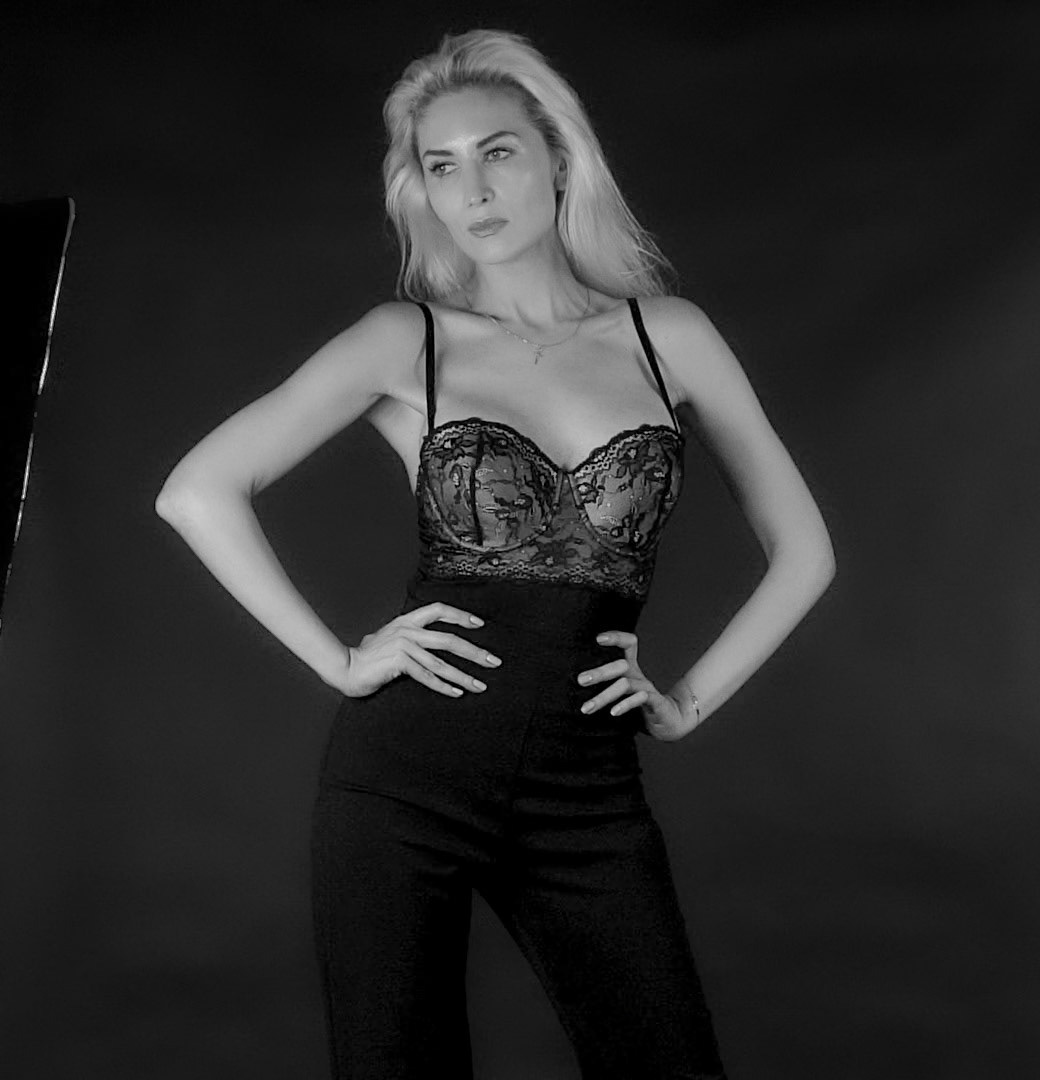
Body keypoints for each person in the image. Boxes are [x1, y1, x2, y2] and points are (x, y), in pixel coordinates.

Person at [155, 27, 835, 1080]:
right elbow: (196, 490)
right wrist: (341, 660)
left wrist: (687, 701)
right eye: (441, 165)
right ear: (421, 191)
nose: (470, 188)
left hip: (588, 790)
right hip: (404, 780)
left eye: (497, 152)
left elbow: (804, 551)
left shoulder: (669, 336)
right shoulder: (407, 341)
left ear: (559, 158)